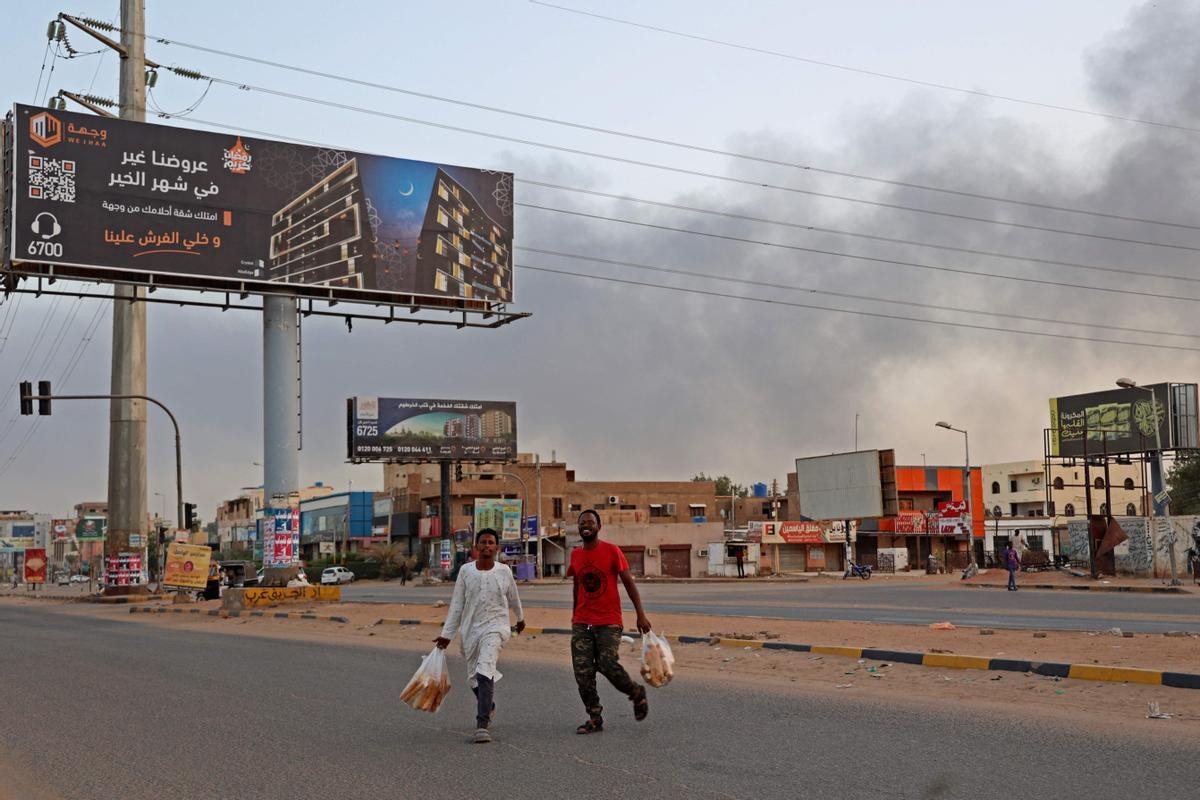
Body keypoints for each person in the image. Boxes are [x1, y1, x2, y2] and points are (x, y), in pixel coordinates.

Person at [435, 529, 525, 744]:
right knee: (474, 677)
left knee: (485, 668)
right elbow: (457, 605)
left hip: (496, 627)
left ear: (497, 548)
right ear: (476, 547)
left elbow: (513, 597)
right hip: (470, 631)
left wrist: (520, 618)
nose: (487, 546)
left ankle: (482, 724)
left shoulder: (504, 571)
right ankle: (489, 706)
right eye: (483, 542)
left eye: (491, 542)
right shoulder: (466, 572)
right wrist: (447, 634)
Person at [568, 509, 652, 735]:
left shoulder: (612, 551)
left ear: (599, 527)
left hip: (608, 621)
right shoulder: (575, 555)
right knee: (582, 672)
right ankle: (594, 717)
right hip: (582, 622)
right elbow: (577, 585)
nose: (586, 525)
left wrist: (640, 615)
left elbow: (629, 583)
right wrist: (575, 613)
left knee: (607, 664)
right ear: (579, 528)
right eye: (582, 523)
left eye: (591, 522)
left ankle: (636, 693)